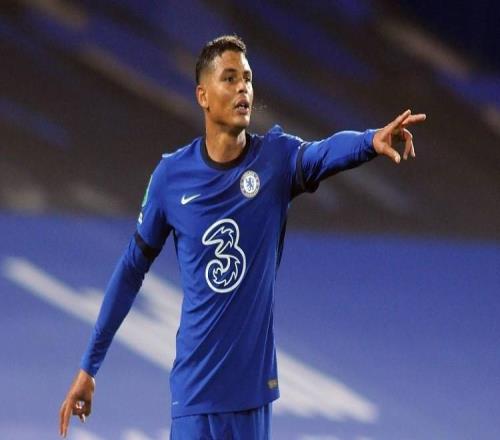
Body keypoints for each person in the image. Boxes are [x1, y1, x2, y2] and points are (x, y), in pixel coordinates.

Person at [59, 35, 426, 439]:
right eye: (230, 78)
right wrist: (89, 366)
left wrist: (369, 141)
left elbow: (322, 153)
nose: (243, 89)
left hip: (251, 398)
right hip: (195, 397)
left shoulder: (276, 160)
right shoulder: (171, 177)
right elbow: (132, 269)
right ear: (203, 95)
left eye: (247, 79)